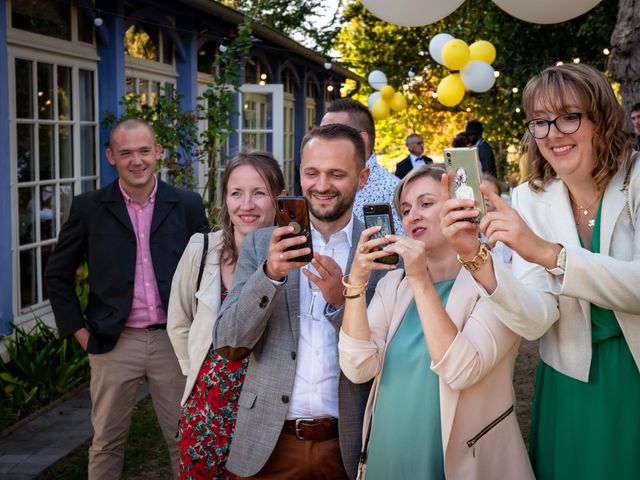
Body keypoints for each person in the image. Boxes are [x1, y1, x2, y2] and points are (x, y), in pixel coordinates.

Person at [447, 63, 640, 479]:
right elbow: (536, 320)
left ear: (601, 118)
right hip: (570, 381)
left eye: (568, 116)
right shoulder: (530, 199)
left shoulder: (637, 180)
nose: (553, 134)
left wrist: (545, 252)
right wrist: (476, 259)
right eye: (540, 122)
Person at [212, 124, 390, 479]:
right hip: (272, 444)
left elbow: (387, 356)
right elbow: (229, 343)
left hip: (350, 445)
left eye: (336, 174)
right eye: (312, 173)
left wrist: (344, 302)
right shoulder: (262, 245)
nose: (321, 186)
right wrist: (269, 275)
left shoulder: (379, 251)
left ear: (362, 176)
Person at [339, 165, 533, 479]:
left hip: (459, 463)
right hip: (389, 455)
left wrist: (419, 279)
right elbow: (358, 367)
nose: (412, 215)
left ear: (459, 206)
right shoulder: (393, 286)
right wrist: (356, 286)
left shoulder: (496, 285)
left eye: (426, 204)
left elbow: (461, 370)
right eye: (405, 209)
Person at [44, 119, 209, 479]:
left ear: (158, 153)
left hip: (174, 341)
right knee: (106, 442)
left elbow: (210, 271)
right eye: (126, 153)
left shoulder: (186, 205)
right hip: (113, 344)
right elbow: (56, 275)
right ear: (111, 157)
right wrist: (80, 333)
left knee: (185, 439)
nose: (137, 160)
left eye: (144, 151)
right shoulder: (89, 208)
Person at [167, 151, 285, 479]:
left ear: (279, 198)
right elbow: (178, 323)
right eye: (236, 193)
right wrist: (198, 374)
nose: (246, 205)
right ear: (224, 200)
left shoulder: (293, 257)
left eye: (259, 193)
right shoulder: (202, 250)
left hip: (266, 414)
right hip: (207, 409)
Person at [321, 98, 404, 234]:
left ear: (360, 139)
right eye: (320, 132)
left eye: (330, 133)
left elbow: (399, 251)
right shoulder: (319, 185)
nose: (320, 139)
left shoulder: (392, 192)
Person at [481, 174, 512, 264]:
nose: (486, 197)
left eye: (492, 194)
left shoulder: (503, 225)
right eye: (482, 193)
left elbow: (505, 259)